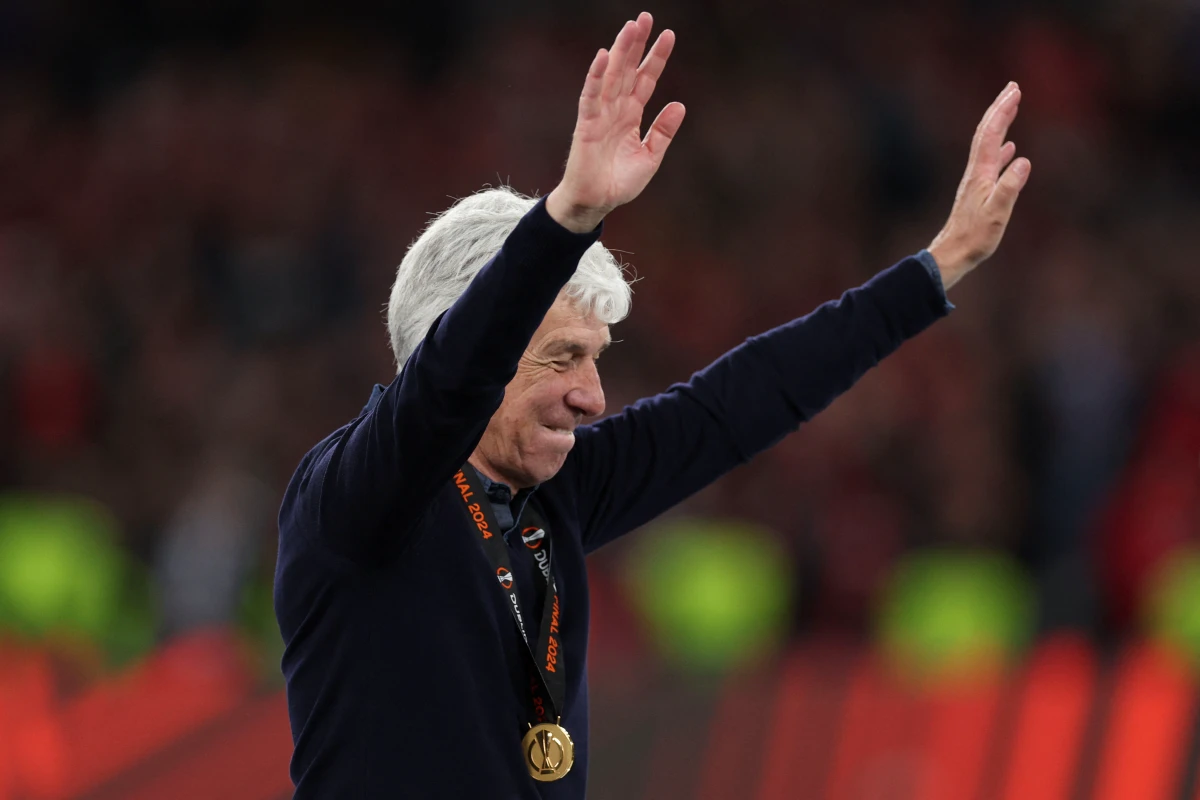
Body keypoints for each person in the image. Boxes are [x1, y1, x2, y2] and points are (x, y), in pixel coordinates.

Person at [274, 11, 1031, 798]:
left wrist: (939, 266)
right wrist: (568, 217)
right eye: (563, 356)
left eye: (594, 359)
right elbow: (448, 383)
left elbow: (735, 405)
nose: (592, 397)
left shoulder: (554, 497)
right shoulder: (358, 497)